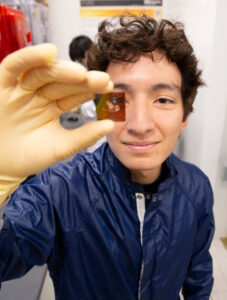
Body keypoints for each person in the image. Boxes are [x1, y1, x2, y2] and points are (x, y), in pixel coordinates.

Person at [0, 15, 214, 299]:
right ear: (101, 108)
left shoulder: (196, 188)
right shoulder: (60, 190)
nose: (140, 125)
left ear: (185, 116)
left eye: (163, 100)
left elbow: (198, 274)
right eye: (118, 100)